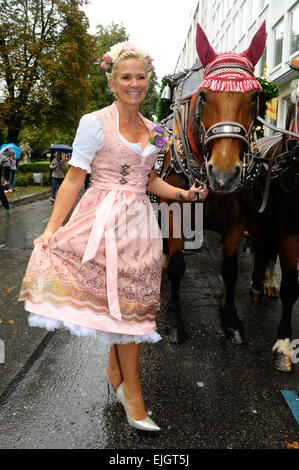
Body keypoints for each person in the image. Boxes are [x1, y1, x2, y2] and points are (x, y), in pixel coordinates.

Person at [19, 42, 208, 431]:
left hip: (139, 226)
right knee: (120, 305)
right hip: (101, 219)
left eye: (140, 77)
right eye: (126, 77)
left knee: (134, 303)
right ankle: (132, 396)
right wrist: (51, 229)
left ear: (147, 82)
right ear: (112, 82)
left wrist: (184, 195)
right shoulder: (94, 122)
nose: (134, 83)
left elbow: (150, 180)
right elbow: (75, 177)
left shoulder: (156, 130)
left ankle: (115, 370)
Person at [0, 149, 12, 215]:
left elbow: (7, 169)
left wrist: (6, 180)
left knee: (1, 195)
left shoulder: (3, 159)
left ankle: (7, 207)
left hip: (1, 180)